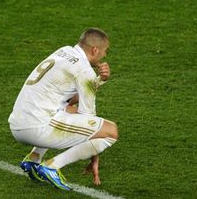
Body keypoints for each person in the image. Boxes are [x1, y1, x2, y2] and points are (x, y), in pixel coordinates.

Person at [8, 28, 118, 190]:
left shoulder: (64, 51)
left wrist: (100, 80)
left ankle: (33, 159)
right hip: (35, 128)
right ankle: (51, 166)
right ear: (95, 50)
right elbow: (89, 120)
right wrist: (94, 157)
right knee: (111, 131)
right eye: (104, 51)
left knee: (69, 108)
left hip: (18, 122)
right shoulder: (84, 71)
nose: (105, 55)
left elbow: (70, 98)